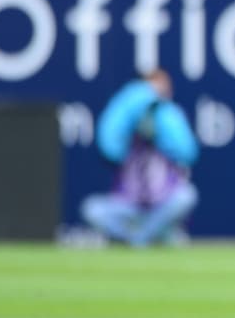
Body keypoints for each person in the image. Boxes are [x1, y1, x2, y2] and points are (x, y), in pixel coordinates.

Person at [81, 69, 199, 247]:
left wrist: (159, 127)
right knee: (91, 209)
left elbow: (188, 152)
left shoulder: (168, 122)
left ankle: (144, 237)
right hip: (129, 205)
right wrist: (135, 108)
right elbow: (109, 148)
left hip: (161, 203)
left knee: (186, 196)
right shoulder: (125, 128)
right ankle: (147, 237)